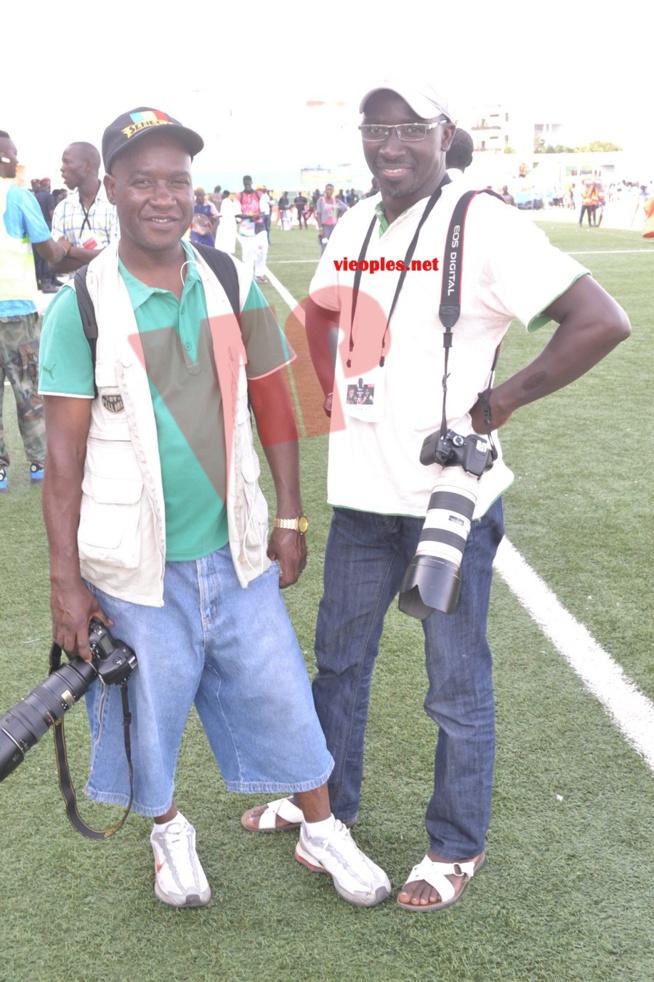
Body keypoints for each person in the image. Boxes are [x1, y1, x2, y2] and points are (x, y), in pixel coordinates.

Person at [241, 78, 631, 912]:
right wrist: (337, 389)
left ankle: (456, 845)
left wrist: (500, 404)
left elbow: (600, 318)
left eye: (410, 129)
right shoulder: (352, 222)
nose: (391, 145)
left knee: (453, 683)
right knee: (339, 667)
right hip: (360, 499)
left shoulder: (480, 221)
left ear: (442, 133)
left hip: (447, 499)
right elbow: (317, 318)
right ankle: (324, 808)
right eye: (376, 129)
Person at [38, 106, 390, 911]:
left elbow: (275, 405)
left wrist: (291, 516)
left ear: (195, 191)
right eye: (143, 181)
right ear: (113, 190)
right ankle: (168, 830)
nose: (163, 197)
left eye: (178, 181)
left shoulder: (228, 278)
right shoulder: (81, 309)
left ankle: (320, 827)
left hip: (235, 551)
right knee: (143, 719)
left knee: (283, 700)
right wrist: (66, 585)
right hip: (131, 564)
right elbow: (60, 466)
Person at [0, 130, 68, 491]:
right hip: (16, 312)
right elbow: (51, 254)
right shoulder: (18, 197)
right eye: (13, 154)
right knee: (28, 387)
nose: (16, 159)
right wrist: (65, 245)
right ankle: (39, 463)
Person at [50, 142, 118, 274]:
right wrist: (101, 255)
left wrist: (68, 250)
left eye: (67, 162)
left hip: (111, 291)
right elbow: (53, 264)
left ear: (87, 166)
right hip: (77, 291)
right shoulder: (62, 209)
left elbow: (118, 258)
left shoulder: (115, 205)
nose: (62, 169)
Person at [236, 175, 268, 284]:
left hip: (259, 228)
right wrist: (251, 217)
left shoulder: (259, 195)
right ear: (243, 183)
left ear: (251, 182)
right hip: (246, 229)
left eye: (249, 182)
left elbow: (264, 212)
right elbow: (238, 214)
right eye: (245, 183)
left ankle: (259, 273)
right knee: (247, 254)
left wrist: (257, 216)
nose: (247, 184)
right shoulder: (239, 196)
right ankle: (247, 276)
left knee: (262, 251)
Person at [315, 183, 346, 253]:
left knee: (335, 244)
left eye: (330, 190)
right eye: (327, 189)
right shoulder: (321, 200)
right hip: (325, 226)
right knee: (324, 244)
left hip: (334, 225)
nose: (328, 191)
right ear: (325, 190)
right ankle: (324, 261)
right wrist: (320, 229)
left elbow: (345, 208)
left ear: (333, 191)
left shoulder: (336, 201)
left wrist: (338, 216)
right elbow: (318, 215)